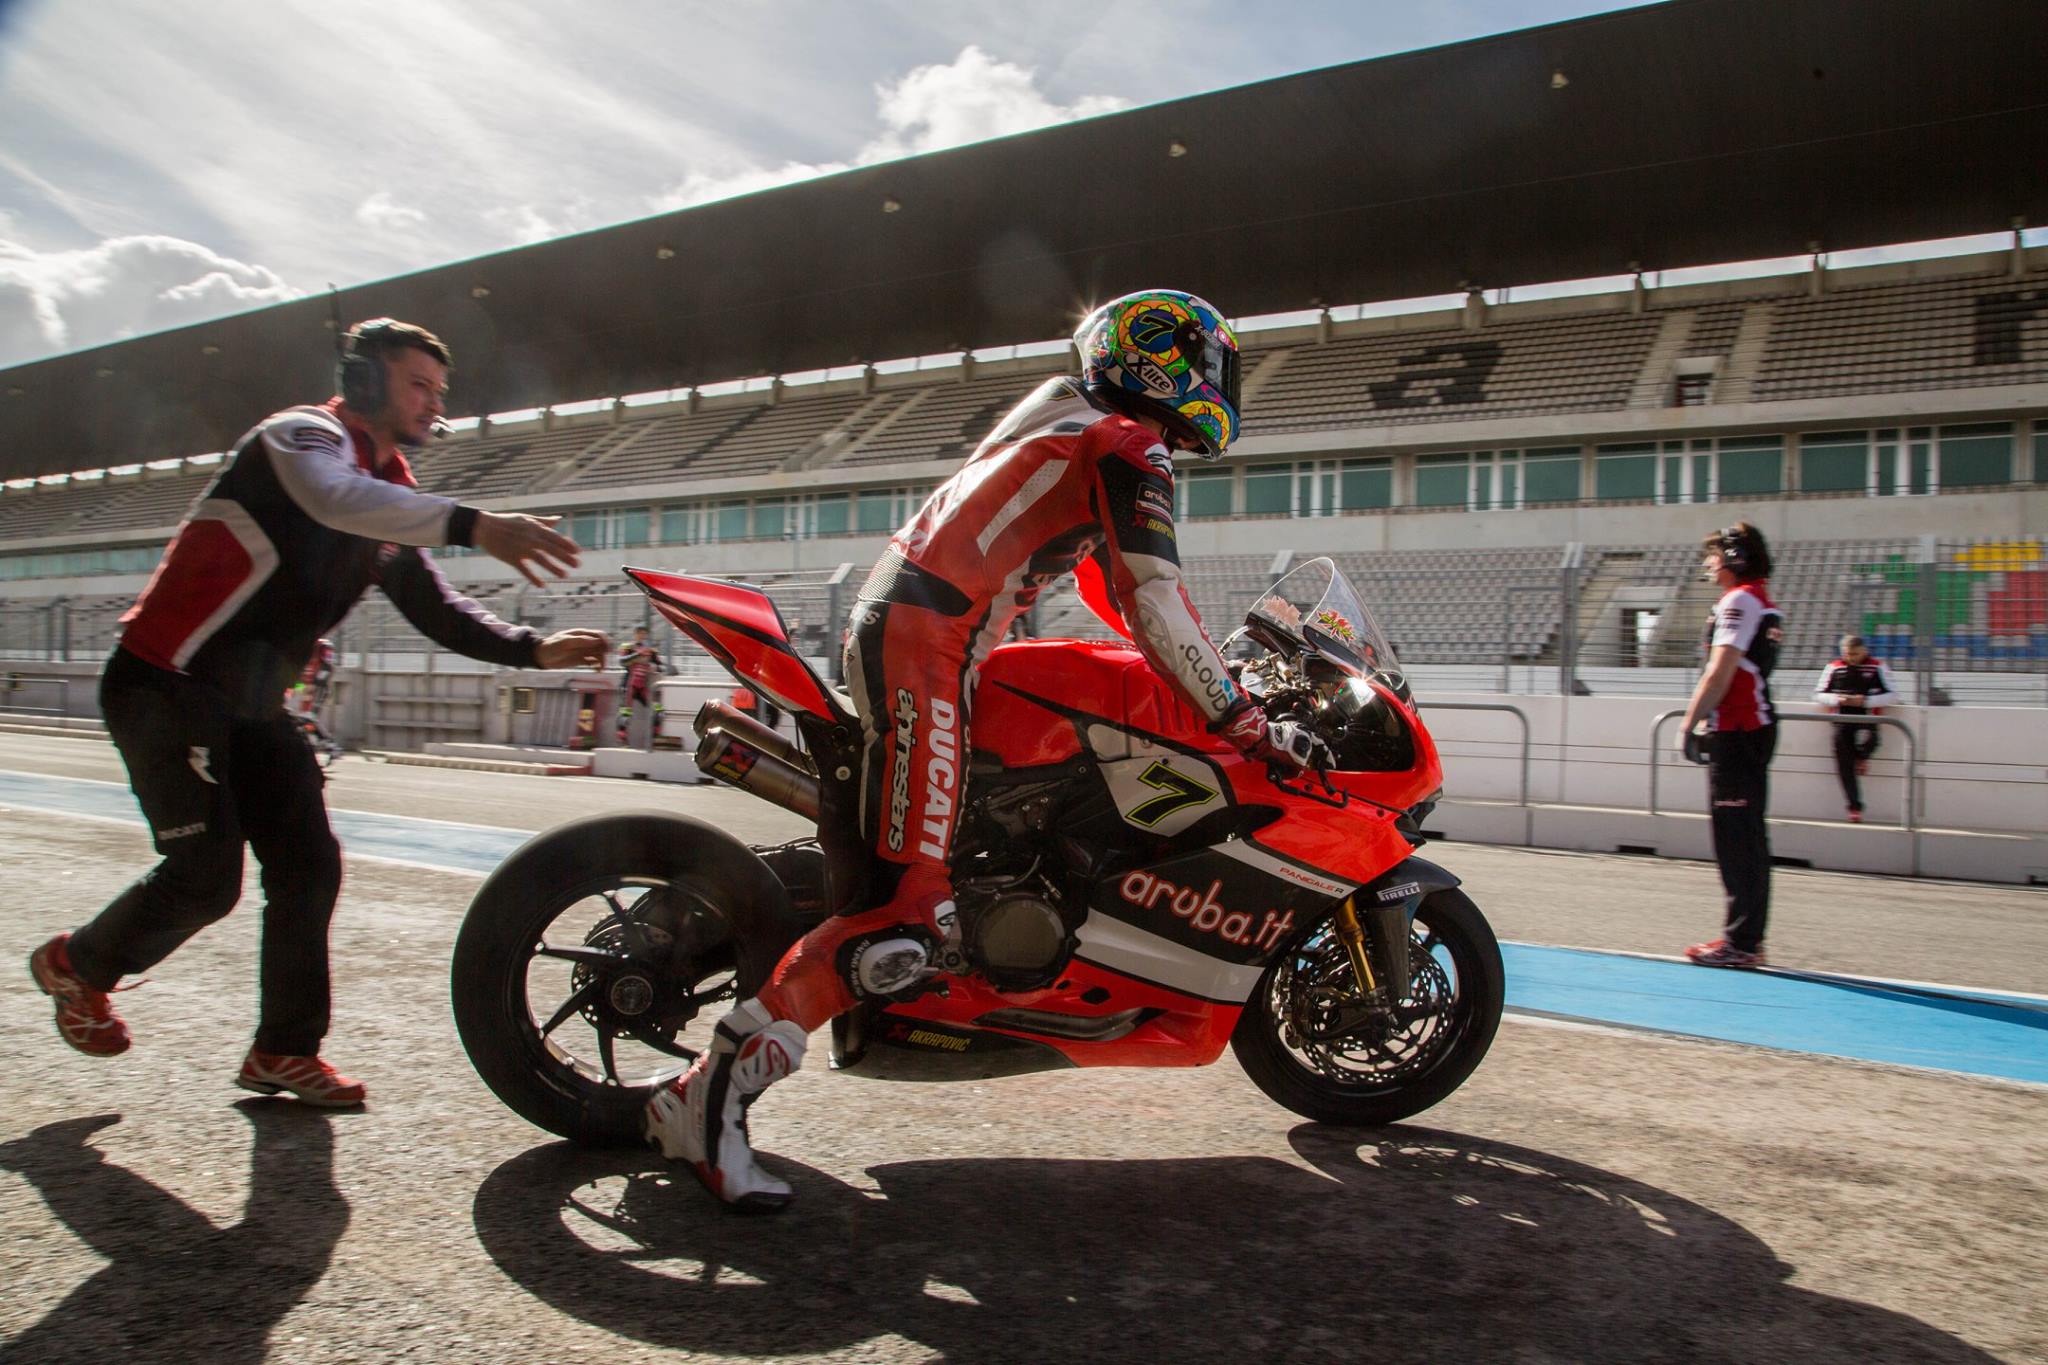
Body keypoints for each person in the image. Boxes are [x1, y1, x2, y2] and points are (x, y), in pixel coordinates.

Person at [644, 289, 1328, 1208]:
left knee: (949, 868)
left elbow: (1118, 595)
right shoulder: (1130, 441)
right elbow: (1156, 599)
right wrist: (1243, 718)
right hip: (931, 643)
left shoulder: (1066, 420)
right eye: (1215, 366)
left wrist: (1198, 677)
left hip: (921, 633)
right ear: (1168, 362)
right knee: (914, 917)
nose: (1220, 385)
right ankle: (707, 1097)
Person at [27, 318, 609, 1104]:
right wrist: (474, 523)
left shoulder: (394, 494)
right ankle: (78, 964)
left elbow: (432, 605)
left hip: (253, 706)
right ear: (367, 380)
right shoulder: (301, 436)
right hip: (165, 682)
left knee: (309, 867)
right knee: (206, 881)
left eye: (440, 391)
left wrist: (532, 649)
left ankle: (283, 1051)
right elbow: (332, 498)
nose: (432, 403)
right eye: (417, 384)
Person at [1678, 522, 1783, 970]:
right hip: (1745, 729)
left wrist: (1690, 721)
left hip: (1740, 732)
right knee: (1745, 840)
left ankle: (1742, 944)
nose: (1709, 561)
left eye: (1716, 552)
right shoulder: (1756, 598)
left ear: (1735, 558)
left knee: (1738, 841)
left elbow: (1720, 671)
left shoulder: (1739, 600)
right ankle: (1745, 940)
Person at [1813, 635, 1898, 823]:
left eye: (1856, 654)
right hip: (1841, 719)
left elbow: (1893, 695)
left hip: (1868, 716)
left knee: (1872, 740)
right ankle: (1854, 807)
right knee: (1843, 763)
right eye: (1848, 654)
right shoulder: (1833, 667)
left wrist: (1865, 700)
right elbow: (1818, 694)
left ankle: (1862, 756)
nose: (1852, 658)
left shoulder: (1877, 666)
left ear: (1864, 651)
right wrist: (1837, 699)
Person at [287, 637, 340, 765]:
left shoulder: (324, 666)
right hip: (310, 691)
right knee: (302, 720)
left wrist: (298, 689)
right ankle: (321, 745)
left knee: (307, 717)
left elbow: (316, 682)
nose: (328, 655)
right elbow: (303, 681)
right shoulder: (309, 663)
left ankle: (329, 744)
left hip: (317, 691)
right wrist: (294, 690)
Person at [616, 625, 666, 747]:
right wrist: (637, 655)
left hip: (644, 686)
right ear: (635, 634)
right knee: (625, 713)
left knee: (658, 710)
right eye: (640, 633)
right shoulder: (628, 647)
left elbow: (660, 666)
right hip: (629, 684)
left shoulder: (651, 650)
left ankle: (655, 739)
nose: (642, 636)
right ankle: (622, 741)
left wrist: (657, 667)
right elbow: (622, 661)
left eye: (644, 634)